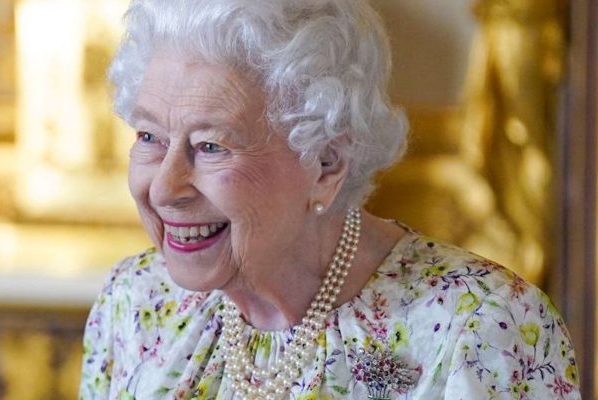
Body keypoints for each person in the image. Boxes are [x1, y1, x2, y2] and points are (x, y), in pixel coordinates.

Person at [79, 0, 580, 399]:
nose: (165, 188)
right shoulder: (136, 301)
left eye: (211, 146)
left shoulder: (483, 329)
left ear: (325, 165)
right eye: (149, 137)